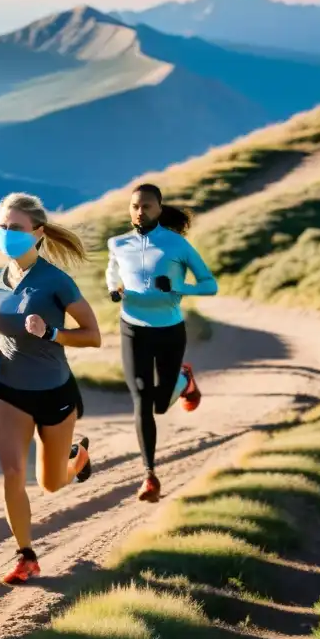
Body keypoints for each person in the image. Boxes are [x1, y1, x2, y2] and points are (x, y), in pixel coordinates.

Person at [0, 193, 101, 584]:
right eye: (2, 227)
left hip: (54, 391)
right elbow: (9, 331)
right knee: (12, 472)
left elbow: (93, 335)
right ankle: (25, 555)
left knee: (50, 483)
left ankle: (76, 457)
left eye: (15, 227)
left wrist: (51, 331)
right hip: (10, 387)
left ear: (37, 233)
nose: (6, 234)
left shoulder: (56, 281)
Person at [105, 183, 218, 503]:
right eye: (135, 206)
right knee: (142, 400)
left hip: (169, 330)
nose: (140, 211)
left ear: (159, 208)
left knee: (159, 404)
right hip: (133, 330)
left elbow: (210, 285)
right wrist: (115, 289)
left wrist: (179, 289)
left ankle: (184, 379)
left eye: (147, 206)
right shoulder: (118, 243)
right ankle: (150, 475)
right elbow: (112, 273)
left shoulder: (177, 245)